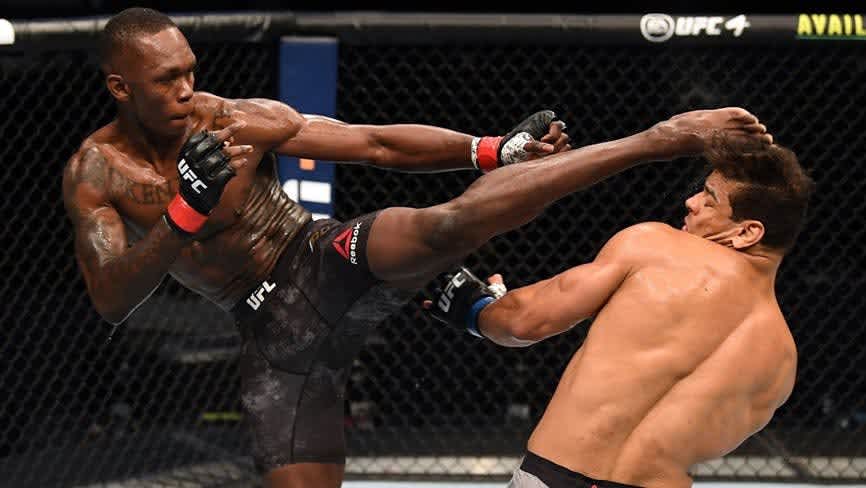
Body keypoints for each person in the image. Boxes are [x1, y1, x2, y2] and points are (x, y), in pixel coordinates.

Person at [61, 7, 770, 488]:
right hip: (272, 333)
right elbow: (112, 298)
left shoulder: (231, 119)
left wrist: (490, 149)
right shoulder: (97, 174)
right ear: (120, 87)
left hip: (321, 257)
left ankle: (655, 140)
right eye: (167, 80)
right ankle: (463, 299)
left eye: (190, 70)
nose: (188, 90)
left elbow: (373, 143)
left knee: (444, 231)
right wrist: (184, 210)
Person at [426, 136, 814, 488]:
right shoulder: (781, 362)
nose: (691, 202)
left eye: (709, 199)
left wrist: (474, 306)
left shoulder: (656, 246)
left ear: (747, 232)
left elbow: (523, 321)